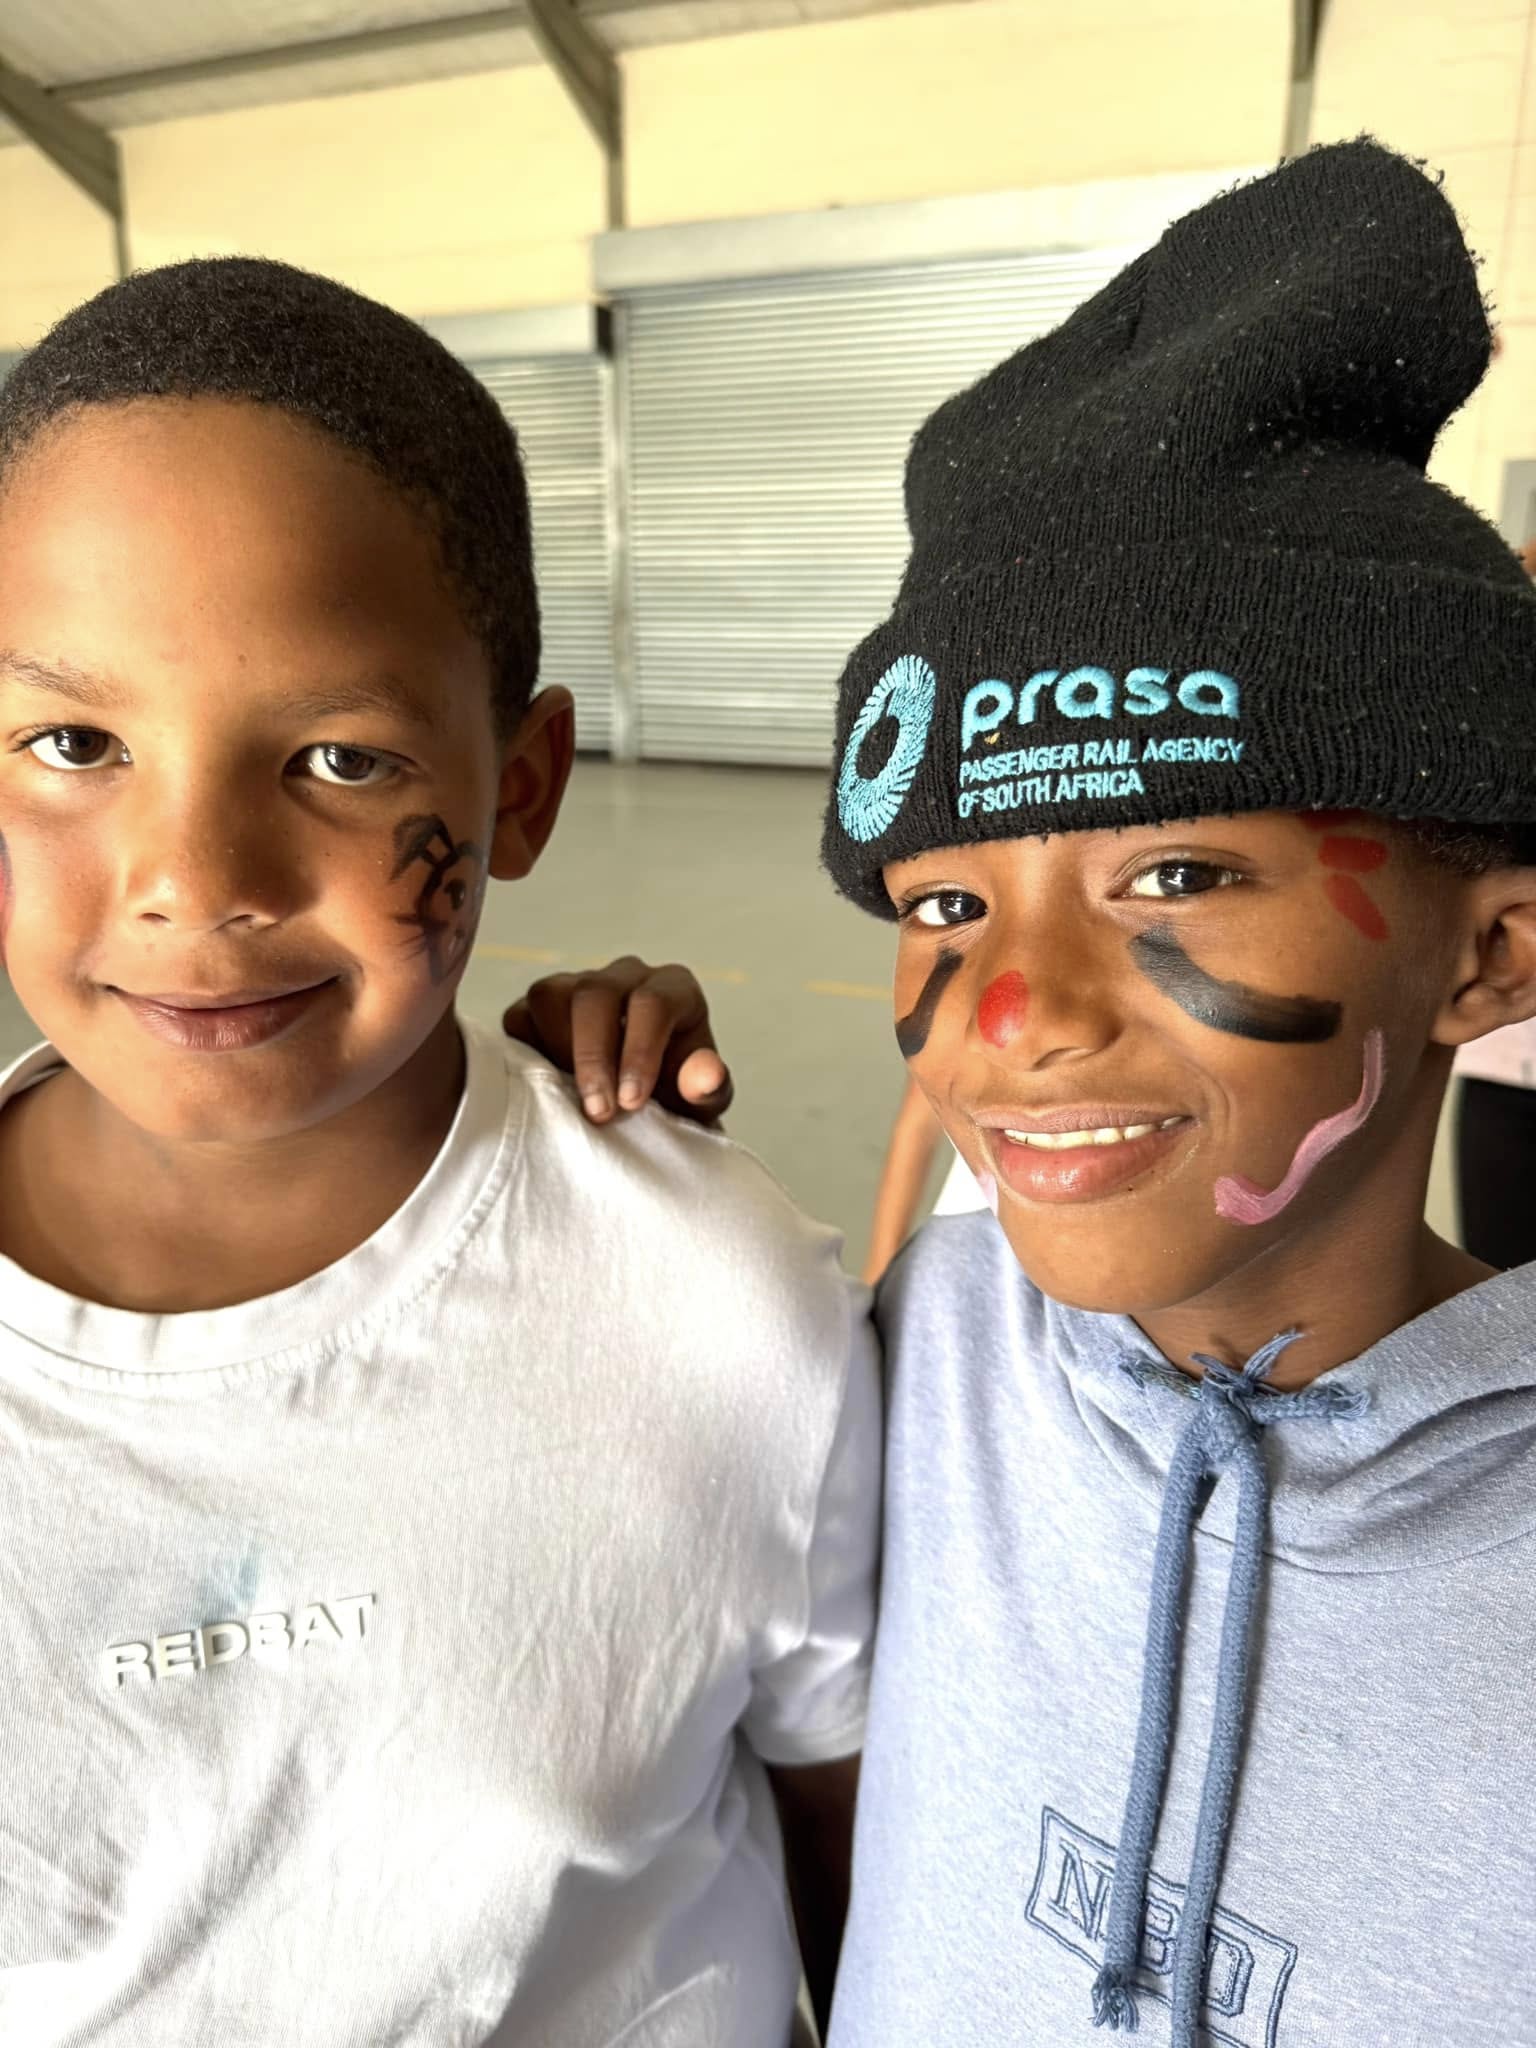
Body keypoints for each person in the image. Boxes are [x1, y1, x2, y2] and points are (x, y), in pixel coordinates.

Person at [513, 142, 1536, 2045]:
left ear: (1491, 952)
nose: (1013, 1014)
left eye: (1178, 874)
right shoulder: (935, 1355)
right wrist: (542, 1140)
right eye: (944, 904)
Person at [0, 259, 879, 2044]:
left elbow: (869, 1872)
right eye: (76, 741)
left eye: (339, 758)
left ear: (519, 788)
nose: (194, 882)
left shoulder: (721, 1312)